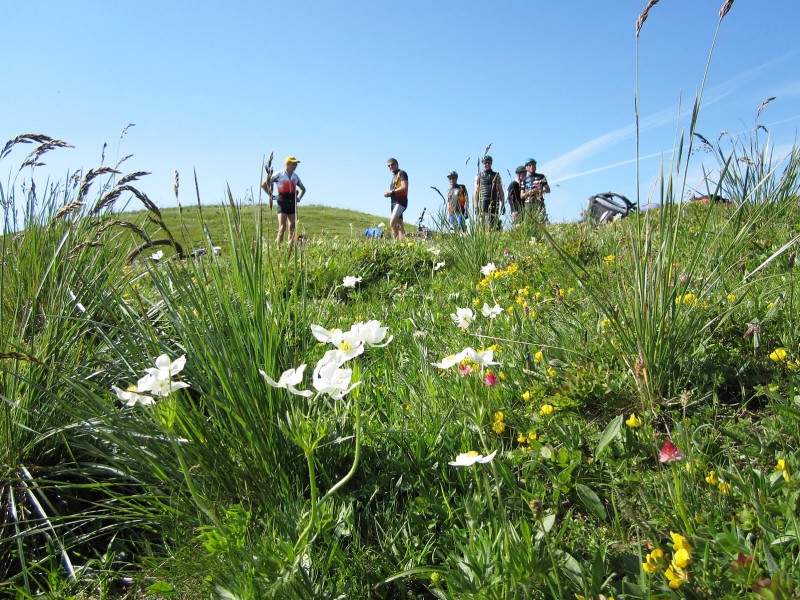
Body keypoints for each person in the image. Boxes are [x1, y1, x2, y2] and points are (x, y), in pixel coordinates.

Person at [262, 155, 306, 243]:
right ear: (288, 164)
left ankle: (289, 247)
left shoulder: (295, 176)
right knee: (282, 227)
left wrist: (298, 198)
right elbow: (264, 184)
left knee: (292, 228)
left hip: (292, 202)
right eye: (294, 164)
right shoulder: (279, 174)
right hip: (282, 201)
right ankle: (278, 247)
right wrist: (272, 196)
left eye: (296, 164)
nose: (296, 166)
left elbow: (303, 189)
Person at [473, 155, 504, 230]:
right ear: (483, 164)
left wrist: (503, 204)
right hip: (483, 200)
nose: (486, 164)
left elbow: (500, 190)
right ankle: (482, 236)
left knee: (494, 220)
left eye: (488, 163)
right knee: (481, 220)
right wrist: (476, 206)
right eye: (485, 163)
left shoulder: (496, 175)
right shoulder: (479, 176)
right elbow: (476, 192)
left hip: (494, 200)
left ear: (491, 164)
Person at [384, 158, 408, 240]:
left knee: (392, 222)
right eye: (389, 166)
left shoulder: (402, 173)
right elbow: (394, 191)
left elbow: (404, 187)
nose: (390, 167)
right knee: (399, 225)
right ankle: (403, 244)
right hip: (394, 202)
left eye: (392, 164)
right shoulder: (394, 176)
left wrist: (392, 192)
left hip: (401, 202)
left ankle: (396, 244)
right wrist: (388, 194)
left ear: (397, 164)